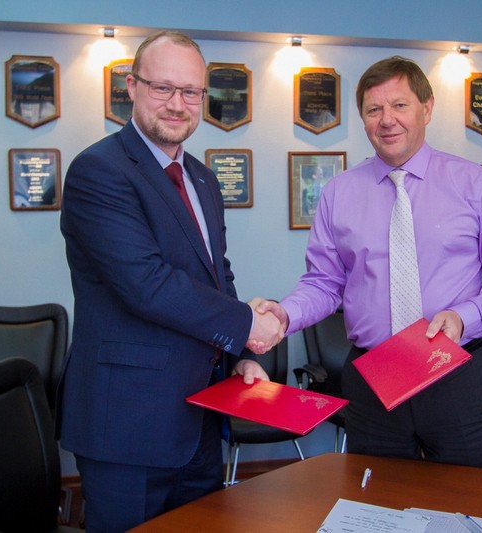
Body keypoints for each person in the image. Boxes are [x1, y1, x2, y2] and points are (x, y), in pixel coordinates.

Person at [259, 56, 482, 470]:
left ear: (427, 108)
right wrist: (285, 313)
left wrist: (466, 316)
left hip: (457, 372)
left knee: (469, 499)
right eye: (374, 109)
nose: (387, 120)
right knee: (376, 500)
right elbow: (324, 283)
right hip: (374, 379)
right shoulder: (339, 193)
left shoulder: (472, 183)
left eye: (399, 105)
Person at [58, 31, 282, 532]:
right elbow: (146, 283)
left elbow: (217, 276)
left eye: (191, 91)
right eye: (163, 88)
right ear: (132, 87)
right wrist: (248, 324)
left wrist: (240, 355)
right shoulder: (99, 171)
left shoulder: (203, 178)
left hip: (200, 417)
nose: (177, 104)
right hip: (127, 425)